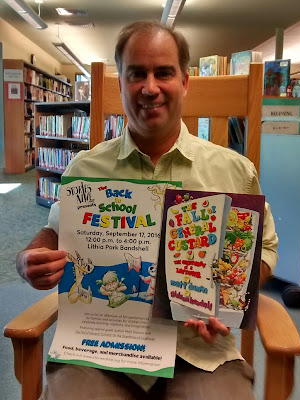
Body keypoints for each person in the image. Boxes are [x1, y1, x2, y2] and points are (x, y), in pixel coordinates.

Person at [16, 20, 278, 400]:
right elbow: (55, 231)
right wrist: (31, 256)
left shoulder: (233, 172)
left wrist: (225, 303)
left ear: (184, 82)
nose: (150, 88)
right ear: (120, 83)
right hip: (99, 350)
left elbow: (263, 252)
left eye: (164, 73)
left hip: (198, 350)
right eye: (136, 73)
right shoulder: (85, 169)